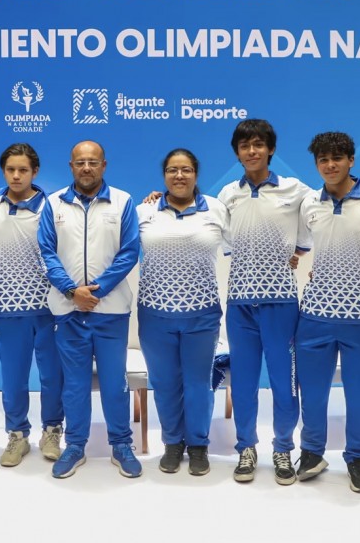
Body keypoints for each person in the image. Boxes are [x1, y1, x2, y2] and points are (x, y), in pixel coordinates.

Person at [213, 119, 360, 485]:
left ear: (271, 149)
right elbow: (211, 226)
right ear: (237, 153)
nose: (252, 151)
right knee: (243, 383)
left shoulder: (298, 191)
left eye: (259, 144)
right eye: (245, 146)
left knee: (284, 384)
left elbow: (321, 220)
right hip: (240, 304)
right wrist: (155, 199)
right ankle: (246, 448)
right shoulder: (227, 194)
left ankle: (282, 448)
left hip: (282, 304)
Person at [294, 132, 360, 493]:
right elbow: (301, 246)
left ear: (351, 160)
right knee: (312, 392)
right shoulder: (309, 202)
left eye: (337, 158)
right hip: (315, 313)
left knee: (359, 394)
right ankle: (311, 452)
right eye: (323, 159)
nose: (330, 165)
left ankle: (357, 458)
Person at [37, 140, 141, 479]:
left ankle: (121, 445)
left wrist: (96, 291)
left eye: (93, 162)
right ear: (71, 166)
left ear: (104, 165)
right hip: (68, 311)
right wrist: (72, 291)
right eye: (80, 162)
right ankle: (75, 445)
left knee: (114, 384)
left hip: (111, 311)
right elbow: (46, 253)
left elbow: (129, 252)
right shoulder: (54, 204)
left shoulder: (123, 201)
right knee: (75, 385)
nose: (86, 168)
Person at [137, 148, 229, 476]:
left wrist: (293, 254)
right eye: (172, 170)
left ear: (196, 174)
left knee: (198, 383)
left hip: (201, 314)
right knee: (164, 384)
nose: (179, 175)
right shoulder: (144, 211)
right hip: (154, 315)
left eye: (186, 169)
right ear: (164, 175)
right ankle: (173, 443)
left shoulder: (216, 209)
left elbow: (242, 245)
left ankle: (199, 445)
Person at [0, 143, 64, 467]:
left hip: (48, 308)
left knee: (52, 377)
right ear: (3, 171)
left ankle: (52, 431)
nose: (16, 176)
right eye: (10, 170)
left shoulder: (52, 206)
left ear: (35, 171)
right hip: (6, 308)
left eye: (23, 170)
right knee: (13, 379)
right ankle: (17, 435)